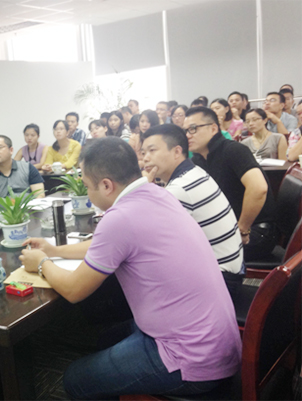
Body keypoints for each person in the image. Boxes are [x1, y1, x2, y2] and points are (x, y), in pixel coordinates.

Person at [19, 137, 241, 399]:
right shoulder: (158, 193)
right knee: (105, 339)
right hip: (216, 342)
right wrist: (54, 251)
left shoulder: (120, 217)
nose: (88, 195)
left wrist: (41, 263)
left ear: (106, 185)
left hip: (189, 359)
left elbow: (73, 290)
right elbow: (105, 245)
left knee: (74, 380)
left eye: (87, 187)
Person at [140, 124, 244, 300]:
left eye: (152, 150)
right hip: (232, 269)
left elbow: (145, 239)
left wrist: (141, 192)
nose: (146, 159)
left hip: (220, 282)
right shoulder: (193, 171)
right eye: (143, 153)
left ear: (177, 151)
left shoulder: (179, 189)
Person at [186, 107, 277, 261]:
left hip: (256, 231)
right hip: (226, 227)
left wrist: (242, 229)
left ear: (213, 128)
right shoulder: (198, 159)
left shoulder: (233, 150)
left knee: (191, 254)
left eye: (193, 129)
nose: (188, 135)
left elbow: (258, 188)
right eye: (185, 130)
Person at [0, 135, 44, 210]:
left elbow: (39, 195)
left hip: (30, 213)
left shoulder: (28, 168)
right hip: (4, 216)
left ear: (11, 150)